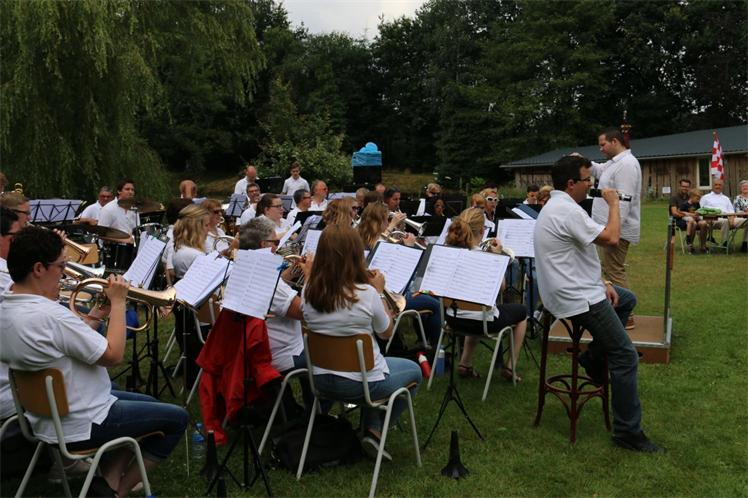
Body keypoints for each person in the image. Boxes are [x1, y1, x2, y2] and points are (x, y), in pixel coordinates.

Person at [0, 226, 189, 495]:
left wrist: (97, 315)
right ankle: (115, 492)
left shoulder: (7, 308)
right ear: (39, 269)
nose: (64, 273)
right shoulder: (51, 315)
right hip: (84, 420)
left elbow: (66, 344)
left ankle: (106, 482)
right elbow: (113, 355)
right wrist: (119, 304)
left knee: (150, 405)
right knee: (177, 419)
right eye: (60, 266)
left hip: (44, 418)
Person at [534, 154, 663, 453]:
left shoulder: (559, 206)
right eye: (587, 180)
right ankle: (627, 432)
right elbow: (612, 238)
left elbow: (577, 256)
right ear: (571, 184)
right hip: (576, 298)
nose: (591, 185)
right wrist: (614, 204)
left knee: (627, 299)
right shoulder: (567, 210)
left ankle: (593, 357)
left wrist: (603, 281)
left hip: (572, 289)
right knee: (625, 356)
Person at [302, 224, 422, 458]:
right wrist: (379, 291)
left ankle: (370, 428)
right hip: (361, 384)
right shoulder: (366, 294)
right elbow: (386, 333)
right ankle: (375, 431)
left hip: (320, 380)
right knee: (414, 371)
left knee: (373, 363)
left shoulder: (308, 290)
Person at [445, 207, 528, 381]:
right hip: (482, 323)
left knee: (474, 307)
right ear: (482, 231)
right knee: (522, 313)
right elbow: (502, 288)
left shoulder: (448, 253)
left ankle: (465, 363)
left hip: (452, 318)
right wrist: (496, 257)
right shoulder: (485, 257)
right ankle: (510, 367)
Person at [239, 218, 312, 403]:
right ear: (264, 245)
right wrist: (310, 275)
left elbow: (275, 292)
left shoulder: (242, 269)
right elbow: (308, 313)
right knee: (333, 355)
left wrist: (291, 273)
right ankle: (318, 412)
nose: (278, 247)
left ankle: (310, 408)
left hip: (256, 350)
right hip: (284, 353)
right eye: (276, 242)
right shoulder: (269, 283)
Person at [588, 128, 641, 328]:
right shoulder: (614, 162)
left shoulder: (626, 165)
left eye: (603, 144)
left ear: (615, 141)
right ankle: (622, 313)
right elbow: (599, 170)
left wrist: (613, 230)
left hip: (617, 228)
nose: (601, 149)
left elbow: (624, 201)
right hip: (609, 226)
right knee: (610, 269)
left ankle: (626, 315)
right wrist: (583, 161)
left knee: (614, 271)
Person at [172, 204, 212, 387]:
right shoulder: (194, 255)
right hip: (202, 316)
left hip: (193, 313)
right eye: (206, 225)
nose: (209, 229)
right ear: (196, 227)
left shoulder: (182, 249)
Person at [700, 178, 748, 250]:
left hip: (729, 218)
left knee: (747, 221)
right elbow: (701, 212)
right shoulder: (705, 197)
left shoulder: (726, 198)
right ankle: (725, 243)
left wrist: (731, 218)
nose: (718, 186)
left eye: (720, 185)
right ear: (712, 186)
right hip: (714, 219)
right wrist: (708, 218)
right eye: (716, 185)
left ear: (722, 186)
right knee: (725, 221)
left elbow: (732, 212)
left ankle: (745, 243)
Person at [678, 189, 708, 254]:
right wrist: (690, 214)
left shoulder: (697, 204)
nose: (698, 200)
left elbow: (699, 212)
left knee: (704, 223)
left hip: (696, 219)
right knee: (693, 223)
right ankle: (690, 245)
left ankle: (703, 246)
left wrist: (699, 215)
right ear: (691, 197)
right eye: (697, 199)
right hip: (688, 221)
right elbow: (680, 212)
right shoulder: (685, 204)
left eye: (699, 199)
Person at [733, 179, 748, 252]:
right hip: (740, 218)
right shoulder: (737, 198)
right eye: (743, 186)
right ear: (740, 188)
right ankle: (745, 244)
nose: (745, 187)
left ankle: (745, 244)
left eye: (747, 186)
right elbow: (736, 211)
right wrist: (745, 212)